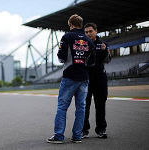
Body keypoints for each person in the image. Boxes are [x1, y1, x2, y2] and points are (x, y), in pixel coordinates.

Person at [47, 14, 95, 144]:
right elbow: (91, 62)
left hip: (69, 76)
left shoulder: (67, 37)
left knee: (62, 107)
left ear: (71, 25)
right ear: (81, 25)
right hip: (84, 78)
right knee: (81, 108)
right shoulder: (89, 41)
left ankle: (59, 136)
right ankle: (77, 136)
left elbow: (61, 57)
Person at [82, 23, 111, 139]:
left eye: (90, 31)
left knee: (100, 105)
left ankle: (101, 129)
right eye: (86, 32)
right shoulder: (82, 44)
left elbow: (108, 60)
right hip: (85, 79)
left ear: (96, 31)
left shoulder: (103, 44)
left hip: (100, 79)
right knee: (84, 106)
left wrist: (104, 51)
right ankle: (84, 130)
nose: (88, 34)